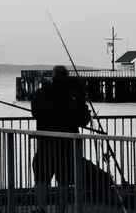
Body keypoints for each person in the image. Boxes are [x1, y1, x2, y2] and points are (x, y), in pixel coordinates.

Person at [31, 65, 91, 213]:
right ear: (66, 76)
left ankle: (41, 208)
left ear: (52, 76)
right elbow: (83, 121)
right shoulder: (75, 95)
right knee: (64, 179)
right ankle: (61, 209)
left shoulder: (41, 93)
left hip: (45, 142)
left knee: (41, 177)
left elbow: (35, 113)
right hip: (68, 143)